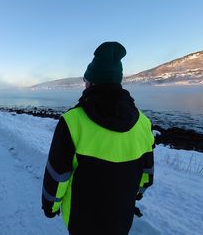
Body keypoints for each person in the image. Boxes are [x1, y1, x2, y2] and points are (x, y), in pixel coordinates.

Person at [41, 41, 154, 235]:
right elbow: (146, 174)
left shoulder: (72, 121)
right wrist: (135, 194)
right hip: (121, 219)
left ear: (92, 82)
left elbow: (58, 174)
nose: (84, 84)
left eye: (85, 79)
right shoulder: (143, 122)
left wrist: (50, 207)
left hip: (81, 221)